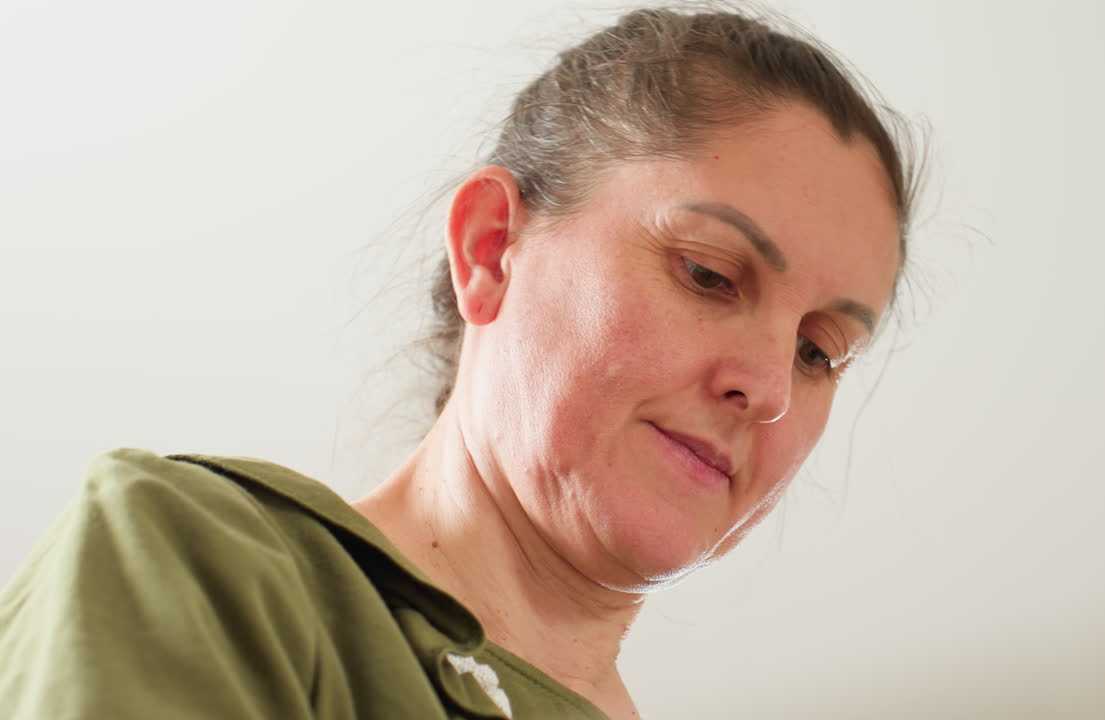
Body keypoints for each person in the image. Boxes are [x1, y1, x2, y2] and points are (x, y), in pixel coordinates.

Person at [0, 5, 920, 719]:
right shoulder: (203, 564)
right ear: (490, 249)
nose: (764, 386)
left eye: (817, 351)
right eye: (711, 275)